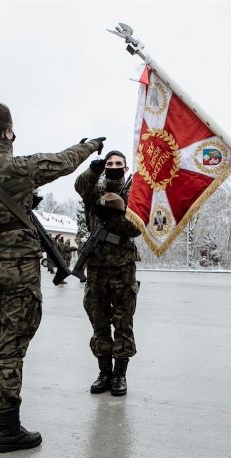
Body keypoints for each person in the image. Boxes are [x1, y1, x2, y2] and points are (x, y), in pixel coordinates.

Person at [0, 101, 104, 452]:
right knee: (10, 350)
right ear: (7, 131)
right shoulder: (18, 167)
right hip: (16, 271)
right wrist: (90, 145)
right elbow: (64, 161)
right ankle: (8, 430)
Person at [75, 150, 141, 396]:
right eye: (109, 163)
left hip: (123, 268)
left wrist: (113, 214)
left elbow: (135, 228)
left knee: (123, 322)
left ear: (125, 169)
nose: (113, 166)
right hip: (96, 268)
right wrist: (93, 170)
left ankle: (120, 375)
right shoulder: (95, 191)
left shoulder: (134, 193)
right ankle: (104, 372)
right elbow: (79, 185)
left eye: (118, 164)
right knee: (99, 321)